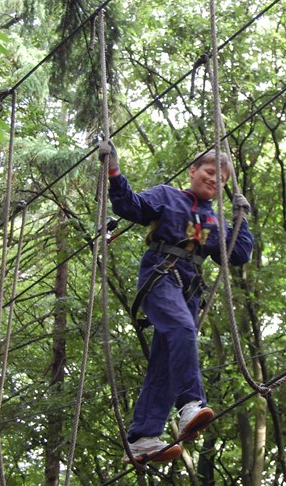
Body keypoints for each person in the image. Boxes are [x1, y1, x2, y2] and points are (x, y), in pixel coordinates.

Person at [99, 141, 253, 464]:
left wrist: (242, 220)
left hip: (189, 289)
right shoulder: (168, 196)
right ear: (193, 171)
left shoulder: (215, 221)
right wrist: (114, 171)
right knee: (182, 330)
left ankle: (142, 437)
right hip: (161, 276)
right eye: (209, 171)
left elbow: (238, 254)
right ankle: (190, 404)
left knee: (168, 359)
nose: (214, 180)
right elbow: (131, 206)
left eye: (222, 179)